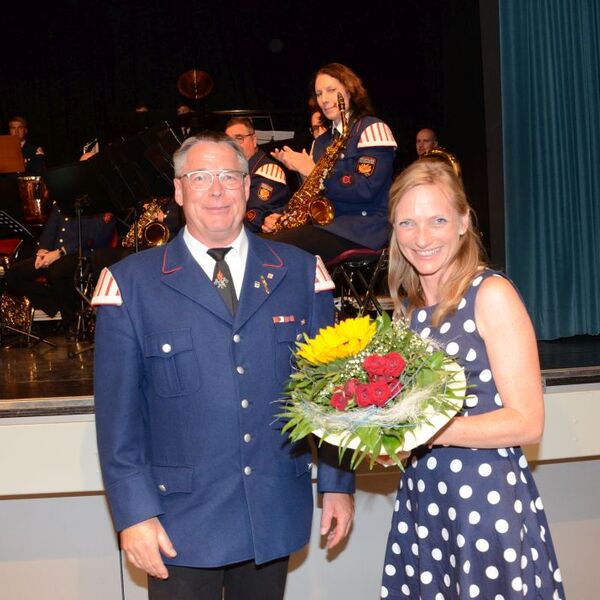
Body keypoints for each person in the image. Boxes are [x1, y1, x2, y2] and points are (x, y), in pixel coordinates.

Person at [91, 131, 355, 600]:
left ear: (248, 187)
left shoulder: (301, 273)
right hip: (178, 520)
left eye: (229, 177)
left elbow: (328, 394)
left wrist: (337, 484)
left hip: (270, 511)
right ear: (178, 190)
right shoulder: (131, 285)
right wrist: (133, 514)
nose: (216, 191)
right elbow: (119, 423)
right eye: (200, 177)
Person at [379, 159, 565, 599]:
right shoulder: (408, 311)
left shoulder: (491, 294)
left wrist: (426, 433)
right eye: (408, 223)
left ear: (463, 222)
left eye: (437, 220)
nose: (421, 238)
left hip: (484, 504)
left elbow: (527, 422)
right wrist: (386, 443)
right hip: (425, 502)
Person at [263, 62, 397, 262]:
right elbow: (312, 197)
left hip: (363, 230)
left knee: (277, 249)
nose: (324, 99)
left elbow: (365, 189)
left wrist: (314, 170)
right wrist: (283, 217)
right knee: (258, 243)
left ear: (350, 91)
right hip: (327, 227)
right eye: (319, 94)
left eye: (331, 90)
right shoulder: (320, 142)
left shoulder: (372, 129)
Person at [5, 201, 115, 340]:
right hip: (53, 254)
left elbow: (91, 236)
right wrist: (42, 251)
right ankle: (56, 303)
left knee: (56, 272)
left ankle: (70, 321)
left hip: (81, 253)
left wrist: (60, 252)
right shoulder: (62, 200)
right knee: (13, 274)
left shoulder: (95, 202)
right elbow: (50, 230)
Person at [225, 117, 290, 233]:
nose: (234, 146)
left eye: (239, 138)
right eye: (229, 142)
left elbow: (254, 216)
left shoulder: (267, 171)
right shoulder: (234, 172)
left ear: (254, 140)